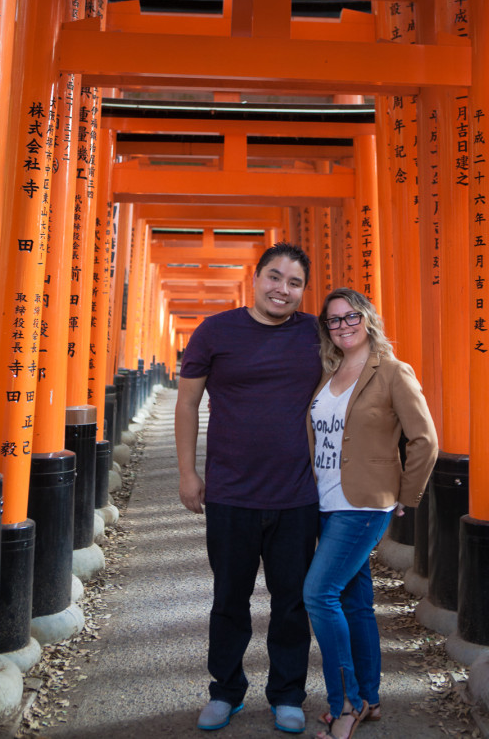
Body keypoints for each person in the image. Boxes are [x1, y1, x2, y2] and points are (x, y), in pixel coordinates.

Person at [175, 242, 322, 734]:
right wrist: (187, 472)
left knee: (292, 601)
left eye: (295, 283)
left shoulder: (316, 334)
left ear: (303, 291)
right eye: (275, 277)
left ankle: (286, 694)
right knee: (229, 598)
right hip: (231, 492)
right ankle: (226, 691)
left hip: (298, 493)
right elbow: (187, 404)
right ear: (255, 278)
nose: (283, 289)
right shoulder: (217, 331)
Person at [303, 287, 438, 739]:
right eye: (333, 320)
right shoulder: (330, 371)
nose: (342, 326)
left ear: (367, 318)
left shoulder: (393, 372)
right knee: (354, 602)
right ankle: (372, 697)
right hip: (325, 501)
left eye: (350, 317)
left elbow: (424, 440)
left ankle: (347, 702)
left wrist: (408, 496)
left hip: (362, 504)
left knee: (319, 594)